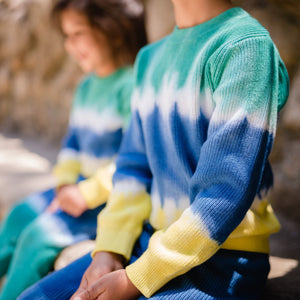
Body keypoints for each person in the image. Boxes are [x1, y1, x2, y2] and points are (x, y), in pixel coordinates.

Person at [18, 0, 289, 299]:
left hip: (223, 261)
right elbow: (133, 167)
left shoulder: (245, 47)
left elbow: (225, 192)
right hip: (145, 242)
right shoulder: (149, 59)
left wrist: (137, 278)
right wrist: (109, 249)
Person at [0, 0, 147, 299]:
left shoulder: (131, 86)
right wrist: (65, 184)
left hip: (110, 201)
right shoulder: (86, 87)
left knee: (38, 238)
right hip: (76, 189)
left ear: (112, 30)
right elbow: (72, 144)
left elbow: (134, 159)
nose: (69, 45)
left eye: (78, 33)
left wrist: (86, 193)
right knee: (20, 214)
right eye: (66, 36)